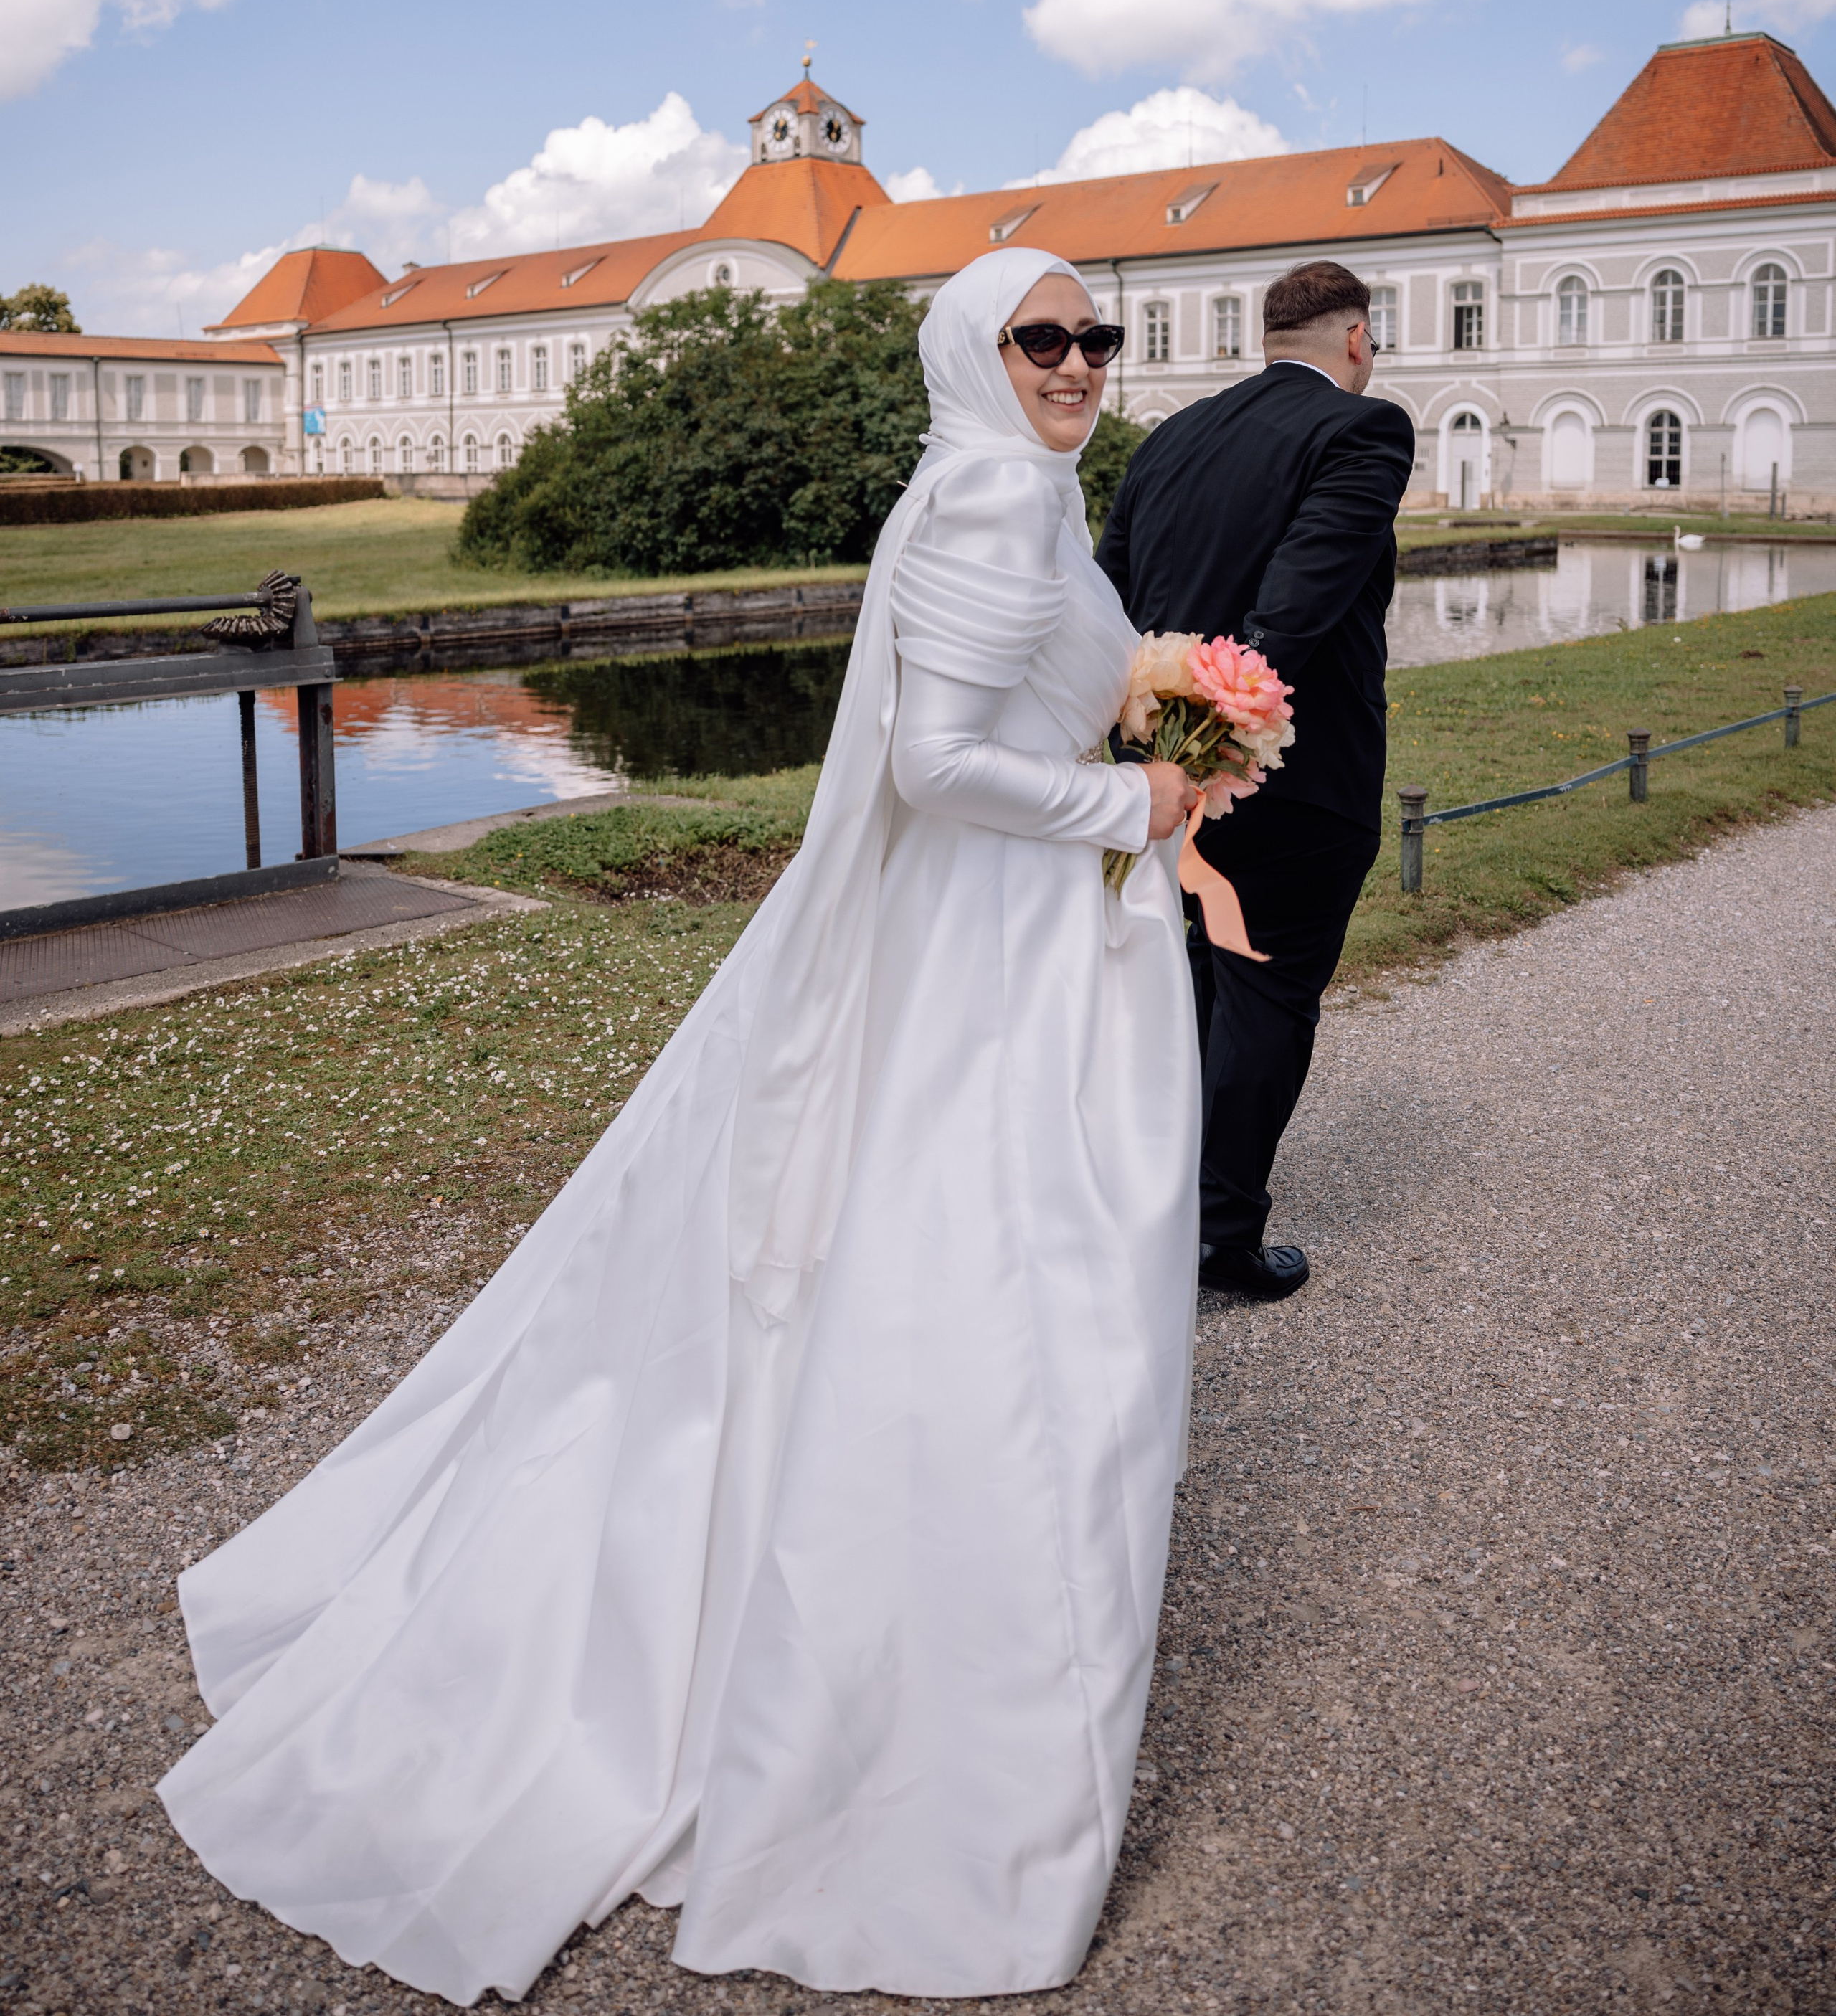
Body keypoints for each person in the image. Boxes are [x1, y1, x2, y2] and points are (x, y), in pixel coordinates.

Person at [159, 249, 1203, 2007]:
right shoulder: (986, 506)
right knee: (996, 1277)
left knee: (977, 1271)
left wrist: (1157, 704)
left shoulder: (1017, 492)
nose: (1080, 362)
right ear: (975, 350)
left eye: (1098, 337)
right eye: (1045, 338)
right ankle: (923, 1702)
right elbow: (935, 762)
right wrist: (1140, 791)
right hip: (990, 951)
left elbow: (1015, 693)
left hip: (1015, 931)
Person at [1097, 259, 1414, 1303]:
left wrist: (1159, 758)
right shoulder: (1362, 430)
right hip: (1294, 775)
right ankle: (1218, 1235)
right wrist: (1227, 746)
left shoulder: (1169, 441)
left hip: (1161, 775)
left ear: (1265, 338)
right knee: (1268, 994)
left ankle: (1156, 1203)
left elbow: (1108, 611)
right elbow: (1295, 610)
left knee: (1197, 980)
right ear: (1356, 340)